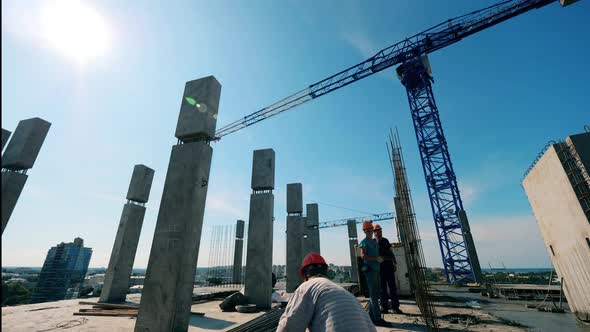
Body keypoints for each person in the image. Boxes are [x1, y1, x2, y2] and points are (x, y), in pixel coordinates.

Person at [276, 252, 376, 332]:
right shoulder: (345, 292)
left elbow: (288, 326)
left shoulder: (307, 287)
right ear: (326, 272)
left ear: (305, 275)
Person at [359, 221, 388, 327]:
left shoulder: (375, 242)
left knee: (375, 294)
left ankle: (371, 317)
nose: (369, 232)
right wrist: (376, 259)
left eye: (370, 230)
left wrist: (379, 259)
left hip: (376, 270)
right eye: (367, 230)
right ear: (364, 231)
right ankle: (377, 318)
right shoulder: (364, 242)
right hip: (370, 270)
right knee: (373, 295)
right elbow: (363, 256)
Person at [373, 224, 403, 314]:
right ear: (374, 233)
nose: (379, 233)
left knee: (392, 287)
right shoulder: (373, 242)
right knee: (382, 288)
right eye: (377, 231)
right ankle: (384, 307)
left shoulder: (385, 240)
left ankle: (395, 307)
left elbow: (390, 251)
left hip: (388, 266)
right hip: (380, 268)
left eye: (380, 231)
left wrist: (394, 262)